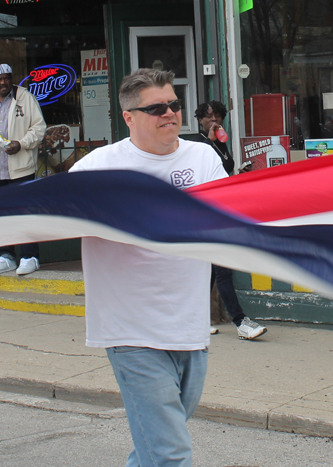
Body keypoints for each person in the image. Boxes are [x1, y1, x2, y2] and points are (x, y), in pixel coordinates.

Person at [69, 68, 228, 467]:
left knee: (155, 446)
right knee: (170, 452)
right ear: (129, 117)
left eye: (173, 104)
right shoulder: (98, 167)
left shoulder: (203, 157)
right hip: (130, 329)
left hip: (189, 326)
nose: (169, 113)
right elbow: (54, 213)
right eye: (156, 108)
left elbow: (229, 218)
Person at [195, 101, 267, 340]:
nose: (213, 120)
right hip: (207, 214)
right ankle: (240, 321)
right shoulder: (198, 145)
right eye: (207, 117)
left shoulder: (222, 144)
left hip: (222, 210)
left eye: (217, 116)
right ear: (200, 120)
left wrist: (238, 177)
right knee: (222, 269)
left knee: (213, 272)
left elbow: (220, 175)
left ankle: (196, 320)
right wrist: (209, 140)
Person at [0, 64, 46, 276]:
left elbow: (39, 128)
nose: (3, 82)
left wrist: (21, 144)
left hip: (21, 168)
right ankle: (5, 256)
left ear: (12, 79)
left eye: (6, 78)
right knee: (0, 215)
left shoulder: (25, 98)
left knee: (24, 212)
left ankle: (30, 256)